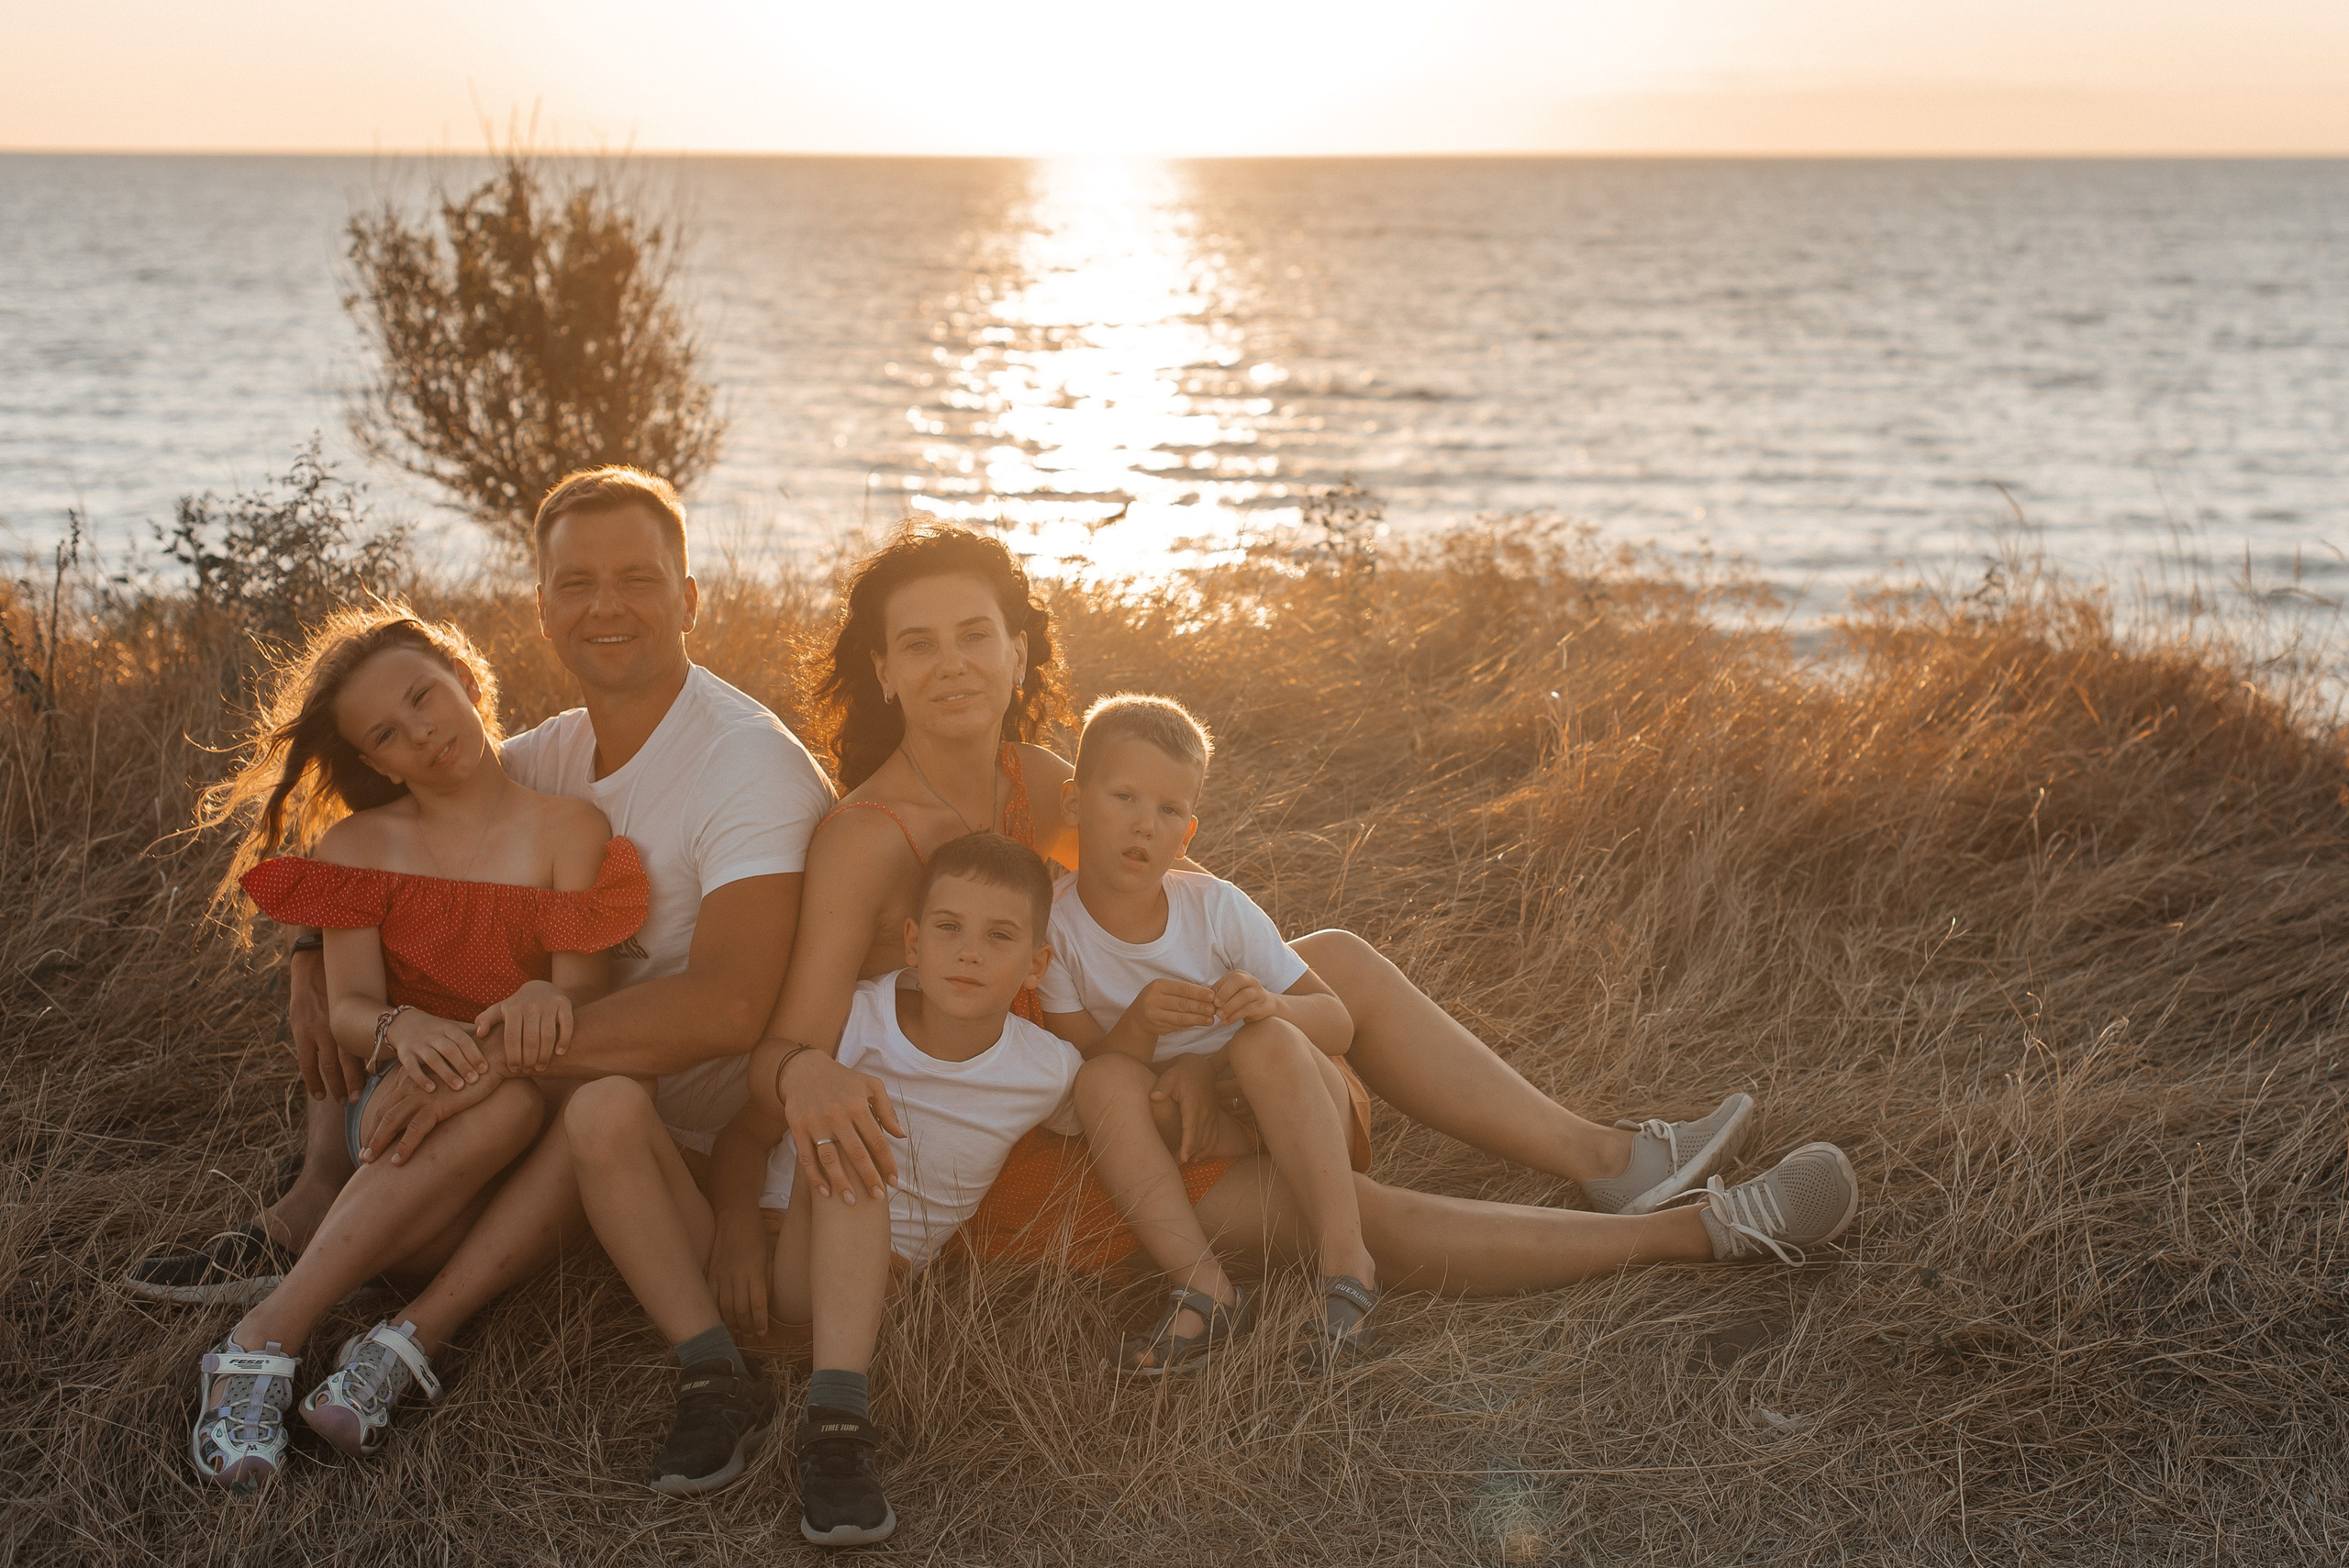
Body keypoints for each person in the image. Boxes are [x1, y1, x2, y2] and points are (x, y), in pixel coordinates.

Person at [765, 524, 1860, 1319]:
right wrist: (781, 1118)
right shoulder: (870, 835)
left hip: (1117, 1067)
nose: (952, 662)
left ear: (1019, 652)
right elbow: (794, 1049)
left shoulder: (1040, 778)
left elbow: (1181, 898)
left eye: (975, 633)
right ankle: (1701, 1230)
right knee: (1338, 1207)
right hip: (1024, 1132)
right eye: (919, 642)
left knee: (1328, 959)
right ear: (883, 670)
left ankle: (1605, 1154)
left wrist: (1223, 1054)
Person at [138, 468, 835, 1454]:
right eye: (576, 582)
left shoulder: (745, 763)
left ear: (689, 596)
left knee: (569, 1102)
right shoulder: (549, 757)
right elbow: (426, 827)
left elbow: (729, 1007)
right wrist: (311, 957)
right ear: (540, 610)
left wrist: (484, 1054)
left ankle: (367, 1322)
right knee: (531, 1108)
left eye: (637, 578)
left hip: (665, 1134)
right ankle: (311, 1242)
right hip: (551, 1107)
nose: (605, 606)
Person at [181, 608, 651, 1488]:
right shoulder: (361, 845)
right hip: (401, 1123)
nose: (422, 732)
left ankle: (401, 1342)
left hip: (520, 1193)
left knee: (563, 1102)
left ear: (468, 680)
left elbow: (581, 1000)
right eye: (387, 735)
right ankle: (263, 1340)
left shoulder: (570, 830)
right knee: (505, 1101)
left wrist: (548, 992)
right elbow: (349, 1008)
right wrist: (403, 1026)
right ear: (378, 763)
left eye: (424, 697)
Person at [566, 833, 1074, 1544]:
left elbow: (1131, 1117)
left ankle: (837, 1426)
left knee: (844, 1127)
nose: (969, 952)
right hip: (731, 1261)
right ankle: (713, 1372)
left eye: (1000, 935)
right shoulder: (857, 1016)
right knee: (602, 1107)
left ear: (1036, 964)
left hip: (842, 1292)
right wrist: (737, 1225)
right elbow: (746, 1135)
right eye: (948, 927)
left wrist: (1202, 1081)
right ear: (912, 942)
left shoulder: (1048, 1069)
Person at [1043, 695, 1378, 1370]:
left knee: (1263, 1040)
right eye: (1124, 797)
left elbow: (1338, 1021)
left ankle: (1349, 1267)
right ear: (1074, 803)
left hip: (1302, 1105)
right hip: (1202, 1133)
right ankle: (1207, 1290)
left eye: (1169, 810)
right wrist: (1138, 1025)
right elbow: (1084, 1058)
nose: (1145, 824)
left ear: (1187, 835)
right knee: (1102, 1080)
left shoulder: (1216, 907)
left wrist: (1272, 1005)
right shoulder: (1054, 929)